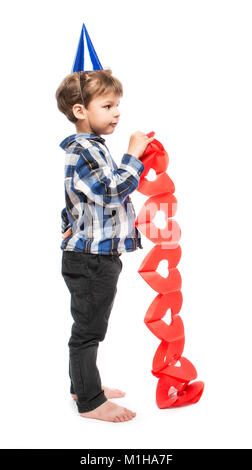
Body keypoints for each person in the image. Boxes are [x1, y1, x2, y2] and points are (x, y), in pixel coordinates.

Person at [55, 69, 154, 423]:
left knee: (87, 326)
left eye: (117, 105)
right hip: (91, 260)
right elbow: (112, 191)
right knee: (88, 331)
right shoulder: (86, 150)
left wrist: (68, 227)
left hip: (93, 256)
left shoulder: (89, 148)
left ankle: (81, 385)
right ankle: (90, 401)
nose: (116, 113)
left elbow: (72, 199)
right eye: (108, 105)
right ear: (81, 111)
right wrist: (133, 155)